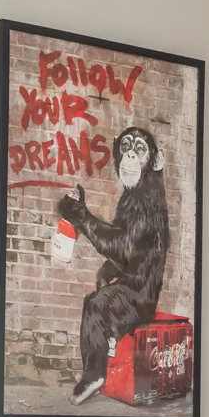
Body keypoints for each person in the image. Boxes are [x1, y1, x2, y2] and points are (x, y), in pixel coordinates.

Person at [57, 124, 170, 400]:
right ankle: (100, 358)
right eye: (126, 148)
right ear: (118, 153)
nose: (130, 157)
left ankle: (94, 376)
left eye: (139, 150)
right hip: (133, 285)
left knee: (96, 305)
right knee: (96, 298)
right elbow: (128, 248)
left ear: (155, 160)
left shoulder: (149, 198)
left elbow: (123, 248)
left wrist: (82, 218)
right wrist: (106, 271)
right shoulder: (134, 195)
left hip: (140, 296)